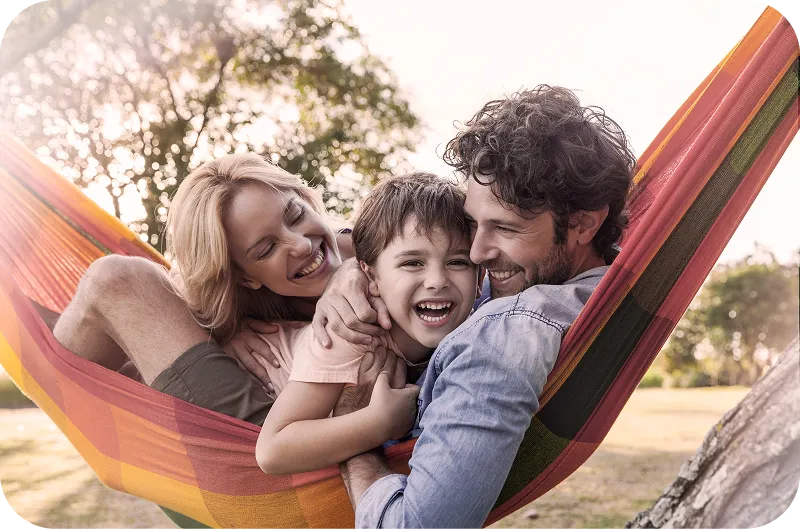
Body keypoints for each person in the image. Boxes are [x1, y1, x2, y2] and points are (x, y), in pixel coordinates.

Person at [315, 85, 637, 528]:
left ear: (583, 223)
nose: (478, 252)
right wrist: (350, 266)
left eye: (504, 228)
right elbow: (405, 232)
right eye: (473, 223)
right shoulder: (583, 276)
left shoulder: (503, 336)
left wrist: (355, 437)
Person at [52, 153, 389, 426]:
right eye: (266, 250)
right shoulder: (239, 303)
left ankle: (48, 371)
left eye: (296, 215)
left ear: (306, 199)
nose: (301, 245)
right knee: (113, 285)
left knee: (112, 278)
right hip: (277, 435)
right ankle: (43, 365)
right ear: (244, 278)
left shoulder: (383, 246)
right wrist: (222, 333)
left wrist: (353, 269)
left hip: (285, 446)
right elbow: (187, 285)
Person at [254, 172, 482, 475]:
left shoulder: (478, 322)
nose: (437, 281)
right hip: (255, 391)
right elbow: (272, 452)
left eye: (458, 261)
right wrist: (379, 423)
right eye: (413, 263)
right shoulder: (351, 333)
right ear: (371, 277)